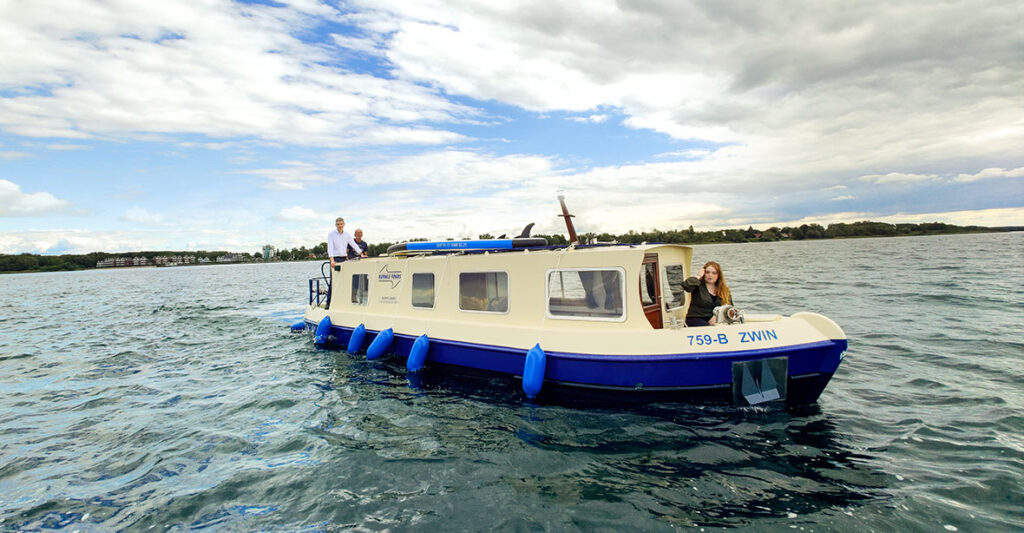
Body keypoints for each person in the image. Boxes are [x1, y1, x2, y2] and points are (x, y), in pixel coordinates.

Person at [681, 261, 732, 327]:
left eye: (714, 273)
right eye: (707, 272)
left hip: (714, 319)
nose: (710, 275)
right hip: (696, 319)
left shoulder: (724, 289)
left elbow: (729, 306)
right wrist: (698, 276)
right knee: (708, 328)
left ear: (718, 276)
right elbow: (686, 286)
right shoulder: (697, 285)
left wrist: (718, 316)